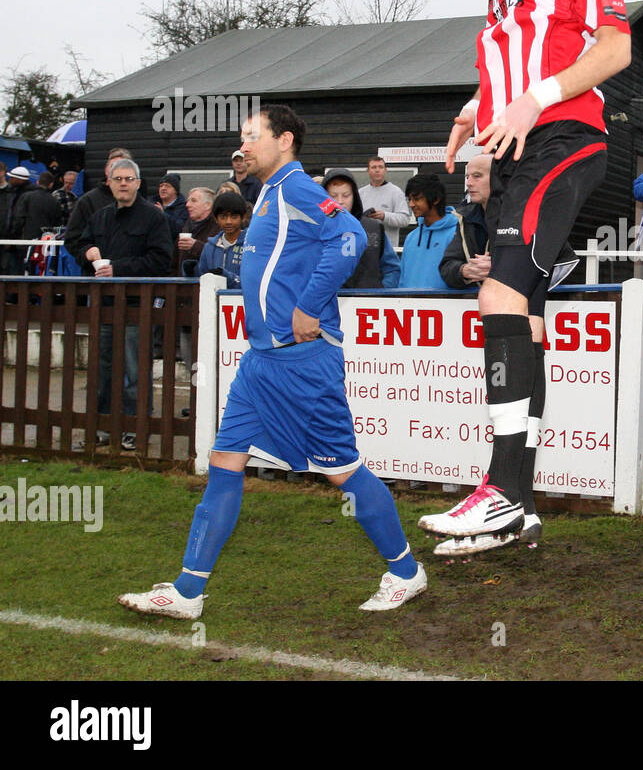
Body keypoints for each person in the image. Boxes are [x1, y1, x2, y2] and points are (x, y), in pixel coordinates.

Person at [117, 104, 426, 619]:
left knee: (342, 471)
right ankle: (188, 590)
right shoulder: (264, 197)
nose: (243, 144)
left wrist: (309, 304)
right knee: (224, 462)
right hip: (260, 364)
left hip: (304, 363)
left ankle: (404, 571)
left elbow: (349, 237)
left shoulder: (299, 188)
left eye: (252, 135)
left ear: (283, 141)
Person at [419, 0, 631, 552]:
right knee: (528, 320)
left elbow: (614, 47)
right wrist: (478, 105)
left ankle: (502, 493)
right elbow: (513, 57)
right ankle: (524, 506)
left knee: (497, 298)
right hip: (516, 144)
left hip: (562, 140)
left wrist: (532, 99)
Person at [82, 159, 173, 450]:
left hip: (138, 305)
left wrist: (117, 268)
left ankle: (136, 426)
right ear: (108, 183)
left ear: (137, 182)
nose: (123, 183)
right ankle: (106, 425)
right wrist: (87, 251)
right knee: (103, 368)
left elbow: (161, 261)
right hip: (104, 304)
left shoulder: (153, 217)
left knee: (136, 368)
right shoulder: (100, 217)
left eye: (128, 178)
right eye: (117, 178)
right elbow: (80, 243)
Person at [323, 168, 399, 289]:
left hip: (367, 304)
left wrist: (381, 291)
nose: (340, 201)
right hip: (325, 304)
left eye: (346, 195)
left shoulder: (374, 228)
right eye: (333, 196)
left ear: (354, 196)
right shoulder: (313, 230)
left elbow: (392, 269)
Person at [65, 148, 134, 273]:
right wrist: (88, 252)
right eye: (114, 166)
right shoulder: (87, 201)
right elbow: (72, 239)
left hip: (133, 282)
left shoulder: (143, 205)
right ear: (106, 170)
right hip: (96, 279)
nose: (119, 170)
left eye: (124, 166)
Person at [440, 154, 493, 290]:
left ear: (498, 178)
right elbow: (447, 266)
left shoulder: (522, 217)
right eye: (467, 177)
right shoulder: (466, 218)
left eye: (477, 176)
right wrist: (465, 271)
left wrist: (499, 269)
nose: (469, 183)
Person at [396, 175, 456, 289]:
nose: (411, 205)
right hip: (410, 305)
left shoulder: (456, 234)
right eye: (409, 199)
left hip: (443, 305)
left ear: (436, 199)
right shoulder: (411, 237)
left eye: (417, 199)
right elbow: (402, 279)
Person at [358, 157, 413, 251]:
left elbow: (405, 220)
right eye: (374, 167)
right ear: (368, 170)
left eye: (380, 167)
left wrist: (384, 216)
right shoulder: (360, 193)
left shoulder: (396, 192)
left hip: (387, 250)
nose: (377, 170)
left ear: (385, 170)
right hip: (364, 249)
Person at [196, 192, 248, 288]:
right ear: (216, 218)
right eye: (223, 217)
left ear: (243, 217)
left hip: (242, 301)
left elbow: (253, 281)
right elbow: (202, 277)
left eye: (234, 217)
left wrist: (226, 276)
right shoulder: (209, 247)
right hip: (214, 300)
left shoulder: (250, 245)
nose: (228, 221)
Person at [176, 187, 220, 276]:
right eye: (188, 201)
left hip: (207, 284)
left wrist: (196, 246)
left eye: (193, 201)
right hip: (183, 285)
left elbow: (220, 255)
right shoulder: (186, 225)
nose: (187, 204)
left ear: (208, 205)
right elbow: (174, 259)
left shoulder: (218, 226)